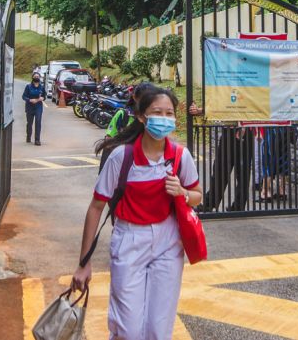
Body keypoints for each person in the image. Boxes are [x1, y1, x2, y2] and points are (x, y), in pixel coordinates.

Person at [72, 86, 202, 340]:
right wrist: (83, 263)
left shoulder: (179, 155)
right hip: (129, 239)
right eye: (157, 112)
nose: (164, 119)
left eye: (169, 113)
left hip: (168, 241)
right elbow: (96, 207)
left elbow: (197, 195)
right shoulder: (121, 157)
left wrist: (182, 193)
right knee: (127, 329)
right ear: (141, 117)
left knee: (159, 329)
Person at [22, 73, 47, 145]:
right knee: (29, 123)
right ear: (32, 77)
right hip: (30, 106)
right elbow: (23, 96)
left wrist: (43, 98)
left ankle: (37, 140)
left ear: (39, 78)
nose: (36, 77)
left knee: (38, 122)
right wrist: (29, 100)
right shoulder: (28, 86)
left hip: (38, 106)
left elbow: (44, 96)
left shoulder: (41, 87)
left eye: (38, 76)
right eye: (35, 76)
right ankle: (28, 136)